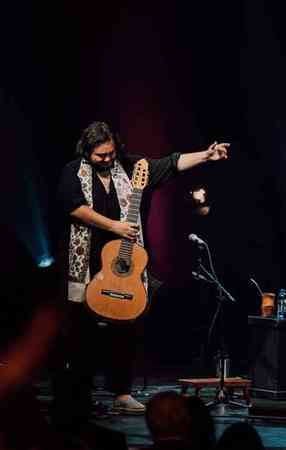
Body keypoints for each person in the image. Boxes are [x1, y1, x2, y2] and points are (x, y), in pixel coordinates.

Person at [53, 121, 229, 421]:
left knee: (126, 329)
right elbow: (74, 207)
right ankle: (78, 395)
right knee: (81, 334)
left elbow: (171, 164)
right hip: (86, 264)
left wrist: (205, 155)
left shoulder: (132, 167)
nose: (107, 160)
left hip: (124, 267)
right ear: (87, 152)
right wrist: (115, 227)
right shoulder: (73, 171)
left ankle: (121, 392)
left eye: (110, 154)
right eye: (100, 156)